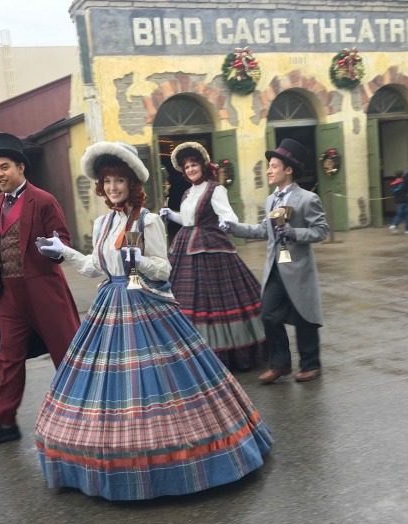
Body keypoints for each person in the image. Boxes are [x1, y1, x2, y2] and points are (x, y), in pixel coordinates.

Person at [33, 141, 273, 501]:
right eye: (107, 181)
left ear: (131, 184)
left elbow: (164, 269)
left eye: (119, 181)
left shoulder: (148, 221)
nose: (113, 187)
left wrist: (139, 260)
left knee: (158, 385)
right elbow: (94, 267)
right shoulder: (102, 223)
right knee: (109, 392)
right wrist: (64, 252)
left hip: (147, 303)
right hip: (109, 304)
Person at [0, 133, 81, 446]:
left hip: (44, 289)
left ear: (21, 167)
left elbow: (65, 241)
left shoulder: (43, 200)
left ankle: (84, 414)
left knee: (66, 353)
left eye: (4, 167)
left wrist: (53, 248)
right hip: (9, 292)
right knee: (8, 357)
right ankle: (6, 422)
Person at [220, 138, 329, 384]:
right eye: (269, 166)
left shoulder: (307, 199)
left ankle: (311, 365)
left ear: (288, 170)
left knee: (304, 318)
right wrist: (234, 227)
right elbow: (263, 231)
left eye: (273, 166)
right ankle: (280, 364)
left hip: (298, 270)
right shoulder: (272, 200)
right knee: (269, 315)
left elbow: (321, 230)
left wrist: (296, 234)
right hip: (275, 269)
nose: (269, 170)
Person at [159, 142, 266, 370]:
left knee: (211, 300)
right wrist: (172, 215)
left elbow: (229, 216)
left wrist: (228, 224)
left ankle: (220, 350)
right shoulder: (188, 192)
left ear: (203, 166)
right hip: (185, 248)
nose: (190, 169)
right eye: (186, 166)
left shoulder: (215, 189)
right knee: (185, 298)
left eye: (193, 164)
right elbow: (189, 220)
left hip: (209, 250)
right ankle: (188, 349)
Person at [389, 170, 408, 234]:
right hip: (406, 201)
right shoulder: (404, 183)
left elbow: (392, 192)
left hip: (398, 202)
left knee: (398, 215)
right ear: (402, 176)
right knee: (407, 215)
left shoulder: (392, 184)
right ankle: (407, 230)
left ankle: (395, 225)